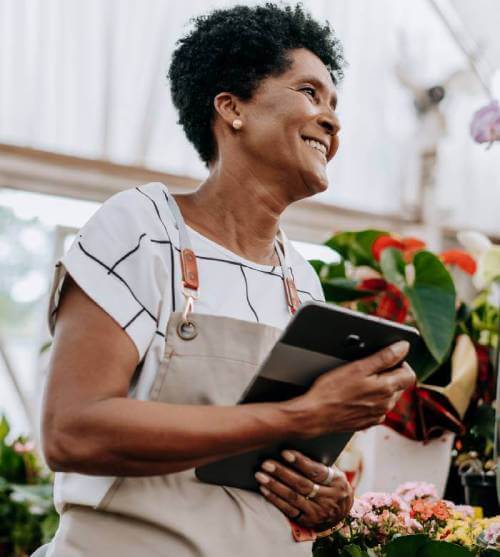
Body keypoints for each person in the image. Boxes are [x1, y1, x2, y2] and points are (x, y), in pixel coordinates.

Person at [40, 4, 416, 556]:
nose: (333, 120)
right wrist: (298, 414)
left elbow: (273, 458)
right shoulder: (144, 229)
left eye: (335, 104)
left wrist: (325, 497)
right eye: (309, 93)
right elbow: (72, 430)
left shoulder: (301, 283)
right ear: (231, 108)